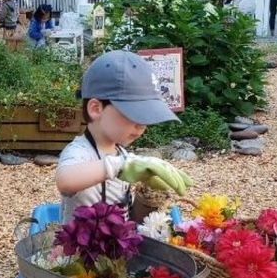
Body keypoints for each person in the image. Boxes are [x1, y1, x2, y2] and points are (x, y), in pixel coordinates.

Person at [55, 49, 187, 222]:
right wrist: (120, 165)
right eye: (133, 114)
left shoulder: (121, 153)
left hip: (116, 244)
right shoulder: (81, 151)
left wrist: (148, 201)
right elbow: (65, 180)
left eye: (145, 117)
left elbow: (125, 211)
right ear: (96, 109)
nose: (142, 126)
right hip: (81, 247)